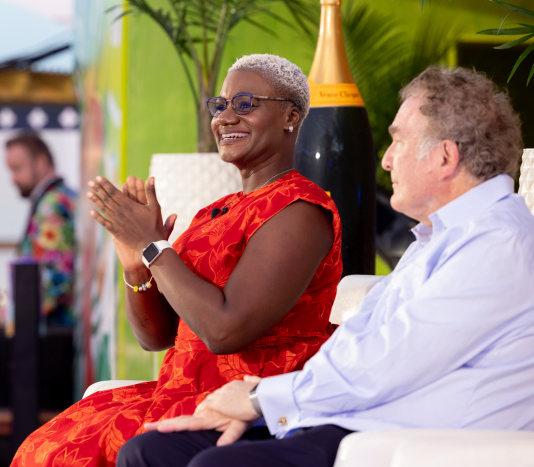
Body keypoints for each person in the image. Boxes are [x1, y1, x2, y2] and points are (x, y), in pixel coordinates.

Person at [118, 65, 534, 467]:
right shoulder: (440, 238)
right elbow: (358, 343)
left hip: (401, 439)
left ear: (445, 157)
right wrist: (264, 401)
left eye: (399, 142)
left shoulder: (498, 245)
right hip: (347, 416)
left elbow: (386, 362)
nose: (386, 161)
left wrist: (261, 398)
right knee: (149, 452)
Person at [11, 54, 343, 466]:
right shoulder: (215, 212)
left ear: (290, 116)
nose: (226, 117)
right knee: (49, 446)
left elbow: (224, 331)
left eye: (245, 104)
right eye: (220, 106)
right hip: (184, 389)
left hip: (247, 402)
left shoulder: (300, 210)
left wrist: (154, 246)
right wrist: (136, 265)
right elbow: (159, 334)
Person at [3, 131, 77, 327]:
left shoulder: (50, 205)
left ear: (41, 162)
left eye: (17, 169)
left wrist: (9, 316)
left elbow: (54, 279)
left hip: (54, 329)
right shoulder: (64, 197)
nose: (13, 179)